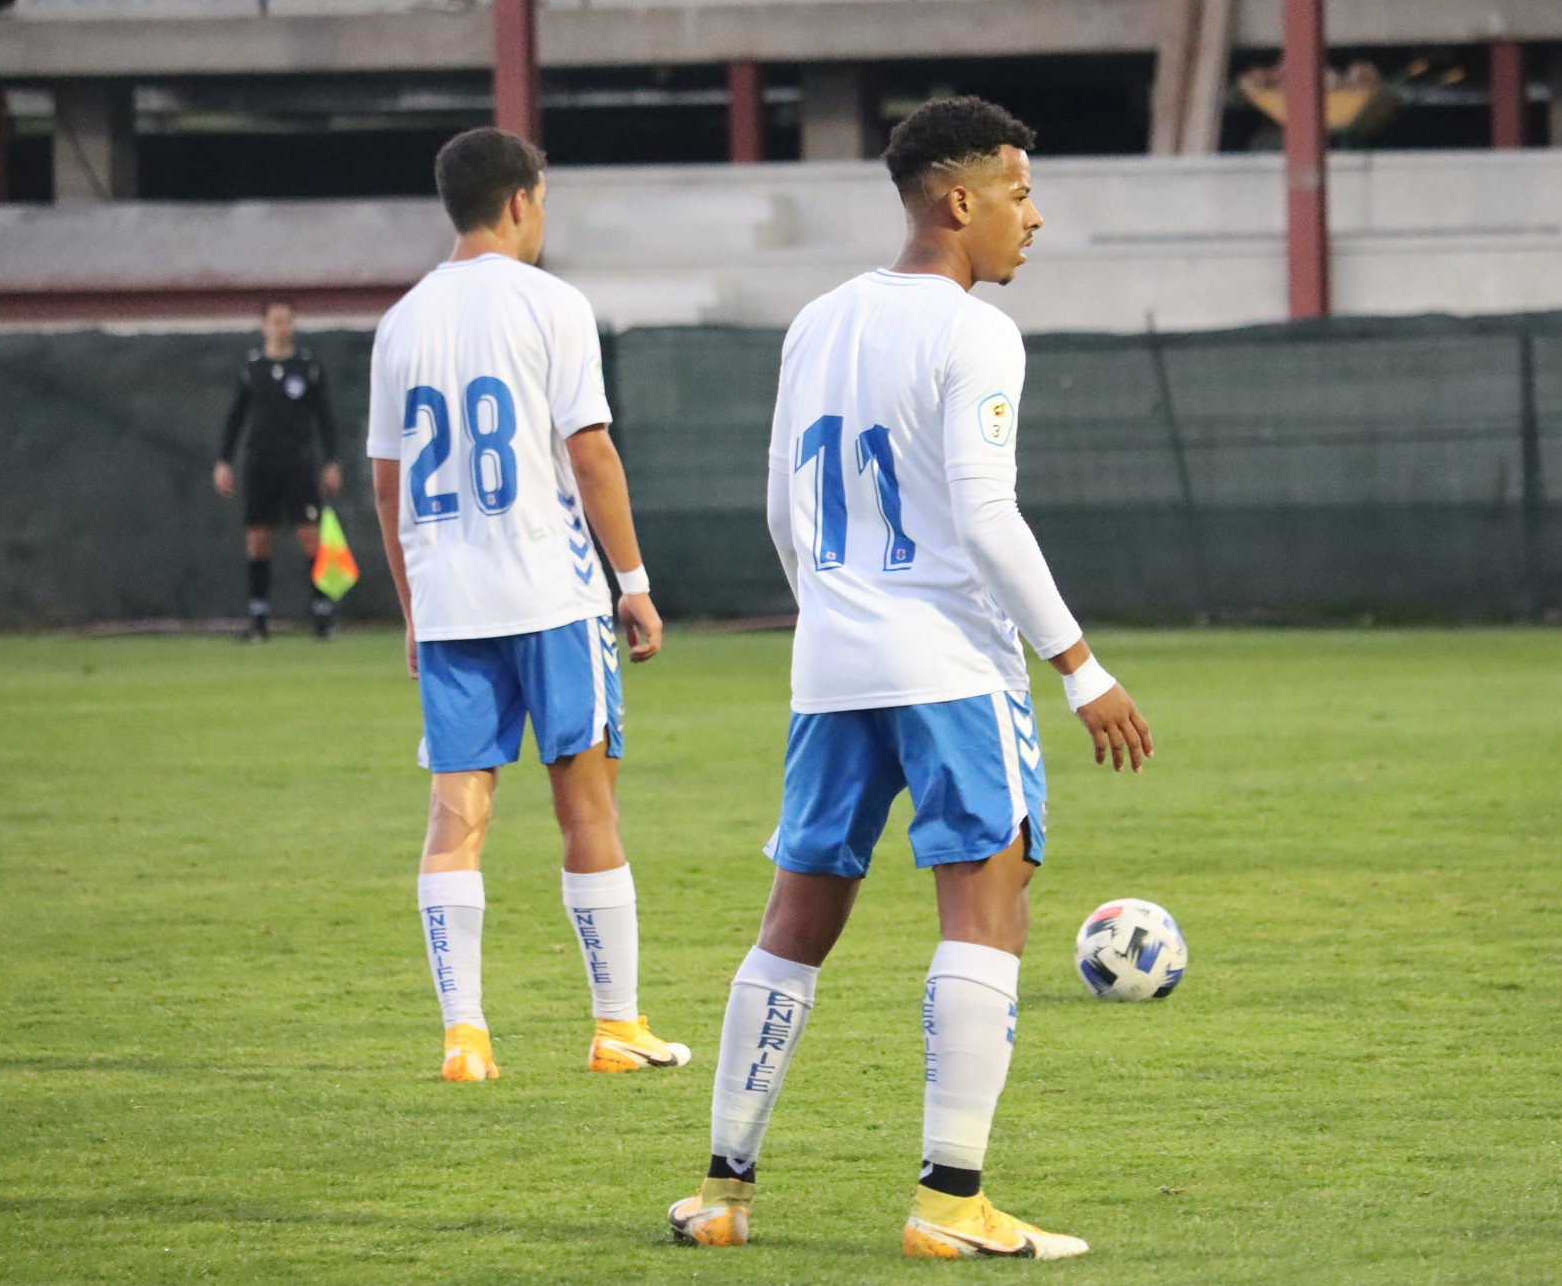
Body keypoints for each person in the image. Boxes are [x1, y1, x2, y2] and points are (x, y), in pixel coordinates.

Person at [666, 97, 1153, 1259]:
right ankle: (948, 1203)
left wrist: (833, 607)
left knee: (794, 919)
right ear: (958, 200)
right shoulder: (975, 333)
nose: (1032, 218)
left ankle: (722, 1195)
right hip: (946, 666)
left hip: (829, 663)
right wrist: (1079, 668)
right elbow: (986, 517)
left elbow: (783, 507)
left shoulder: (818, 320)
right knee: (985, 908)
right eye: (1020, 192)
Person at [367, 127, 689, 1083]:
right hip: (551, 591)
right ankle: (616, 1026)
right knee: (585, 805)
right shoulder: (552, 304)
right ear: (518, 201)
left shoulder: (401, 322)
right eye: (541, 201)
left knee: (455, 814)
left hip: (453, 602)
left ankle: (465, 1037)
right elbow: (589, 453)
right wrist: (633, 584)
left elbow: (388, 487)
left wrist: (414, 608)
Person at [214, 300, 343, 642]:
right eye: (274, 321)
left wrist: (331, 461)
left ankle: (322, 616)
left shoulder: (307, 367)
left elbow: (325, 418)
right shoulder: (251, 367)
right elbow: (236, 417)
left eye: (286, 321)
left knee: (311, 537)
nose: (280, 327)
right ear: (263, 326)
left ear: (293, 325)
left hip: (299, 462)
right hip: (260, 464)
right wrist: (224, 461)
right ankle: (259, 620)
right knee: (258, 538)